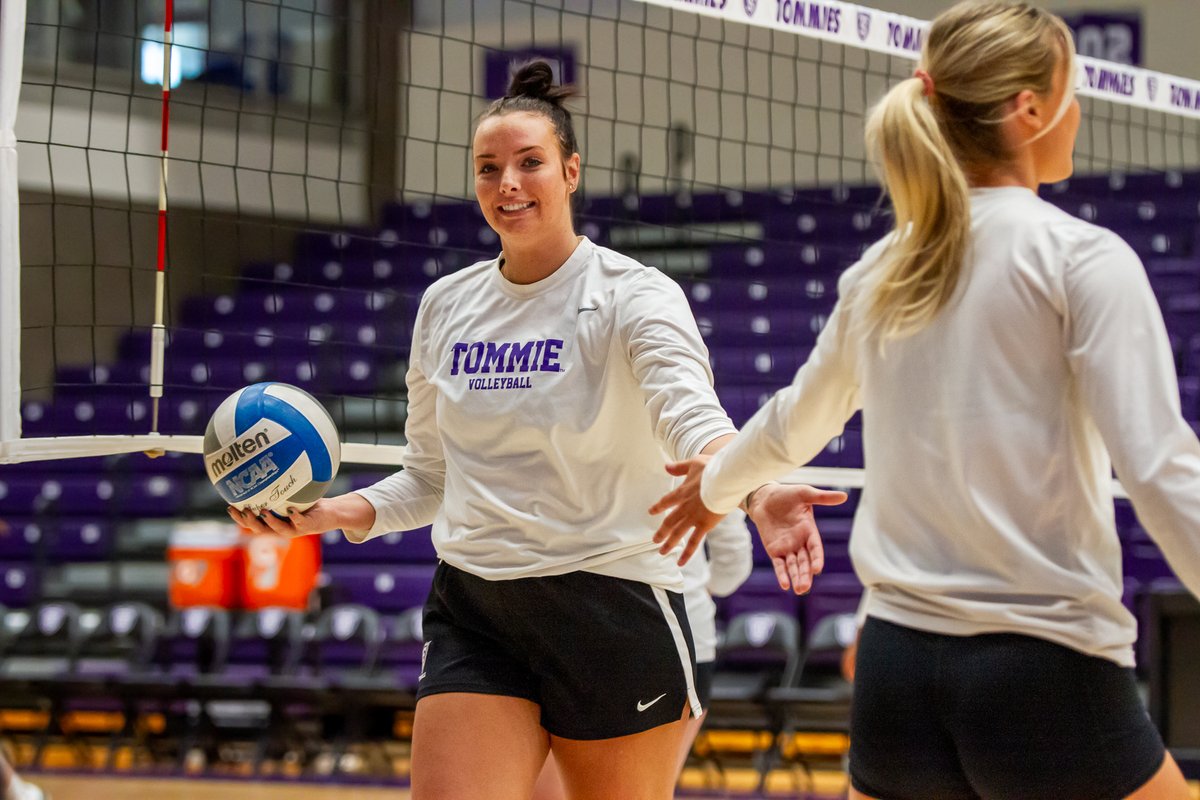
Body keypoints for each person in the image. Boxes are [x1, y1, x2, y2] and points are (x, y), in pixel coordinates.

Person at [231, 61, 844, 800]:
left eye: (530, 163)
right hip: (477, 603)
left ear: (571, 170)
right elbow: (431, 477)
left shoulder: (633, 295)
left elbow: (690, 416)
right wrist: (326, 515)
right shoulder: (445, 305)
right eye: (488, 169)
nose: (507, 184)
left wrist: (754, 486)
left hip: (613, 604)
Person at [649, 3, 1200, 798]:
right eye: (1073, 90)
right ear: (1032, 109)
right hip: (1042, 665)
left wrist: (713, 491)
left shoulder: (882, 267)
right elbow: (1157, 467)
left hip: (897, 671)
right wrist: (714, 490)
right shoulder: (1081, 258)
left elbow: (795, 421)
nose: (1081, 111)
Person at [529, 512, 753, 800]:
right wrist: (699, 588)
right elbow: (733, 563)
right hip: (676, 633)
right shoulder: (708, 469)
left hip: (621, 630)